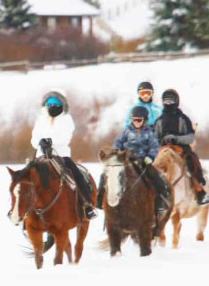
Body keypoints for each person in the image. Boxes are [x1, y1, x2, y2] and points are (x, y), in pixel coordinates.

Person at [30, 90, 97, 219]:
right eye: (50, 104)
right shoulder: (41, 119)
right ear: (45, 104)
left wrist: (51, 142)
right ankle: (24, 213)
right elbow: (34, 137)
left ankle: (87, 204)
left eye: (56, 104)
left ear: (62, 104)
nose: (53, 107)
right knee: (26, 180)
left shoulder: (67, 119)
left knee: (75, 175)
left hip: (61, 155)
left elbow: (66, 137)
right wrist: (40, 142)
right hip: (41, 156)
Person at [97, 105, 170, 213]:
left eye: (139, 120)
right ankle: (99, 199)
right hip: (126, 159)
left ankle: (161, 199)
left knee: (155, 175)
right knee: (107, 173)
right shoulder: (127, 131)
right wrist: (117, 151)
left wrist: (150, 157)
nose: (136, 122)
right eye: (134, 120)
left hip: (142, 160)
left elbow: (154, 146)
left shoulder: (150, 133)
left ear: (144, 120)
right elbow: (118, 142)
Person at [153, 89, 209, 206]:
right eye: (166, 101)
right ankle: (153, 194)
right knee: (154, 167)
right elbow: (154, 138)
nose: (169, 103)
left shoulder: (183, 118)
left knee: (192, 160)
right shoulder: (159, 121)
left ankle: (200, 191)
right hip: (163, 149)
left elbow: (191, 137)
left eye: (171, 100)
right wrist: (162, 142)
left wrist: (176, 139)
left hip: (181, 149)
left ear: (177, 101)